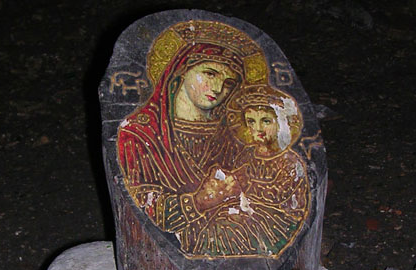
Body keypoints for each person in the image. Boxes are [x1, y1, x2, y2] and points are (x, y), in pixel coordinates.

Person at [117, 20, 268, 256]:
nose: (218, 88)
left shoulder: (235, 136)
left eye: (229, 83)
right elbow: (139, 209)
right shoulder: (140, 134)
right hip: (168, 257)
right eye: (209, 73)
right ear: (181, 70)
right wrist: (198, 201)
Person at [179, 84, 310, 257]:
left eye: (266, 121)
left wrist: (243, 192)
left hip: (275, 222)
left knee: (222, 230)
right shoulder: (248, 154)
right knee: (196, 227)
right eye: (251, 121)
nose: (258, 129)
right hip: (243, 210)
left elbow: (285, 203)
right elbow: (239, 179)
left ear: (281, 122)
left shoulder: (289, 162)